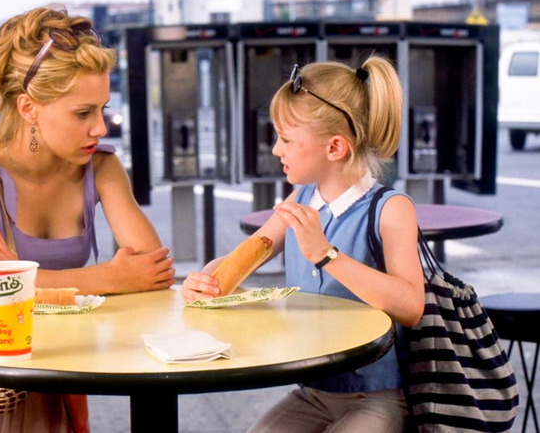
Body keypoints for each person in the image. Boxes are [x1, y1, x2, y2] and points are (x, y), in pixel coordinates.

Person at [0, 7, 175, 433]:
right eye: (83, 114)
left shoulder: (101, 168)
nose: (100, 128)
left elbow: (151, 270)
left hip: (54, 370)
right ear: (29, 107)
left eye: (102, 109)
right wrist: (110, 278)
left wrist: (24, 276)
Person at [181, 56, 425, 432]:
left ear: (334, 148)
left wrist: (326, 255)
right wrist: (210, 276)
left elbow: (411, 306)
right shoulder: (300, 198)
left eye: (286, 139)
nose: (276, 149)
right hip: (314, 391)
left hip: (377, 397)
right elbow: (253, 251)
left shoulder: (390, 209)